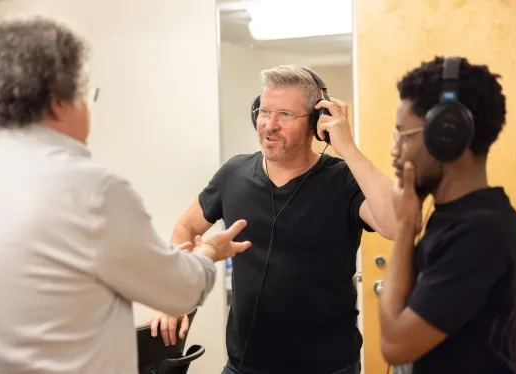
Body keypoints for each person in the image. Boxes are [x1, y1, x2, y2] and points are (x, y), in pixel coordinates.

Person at [0, 15, 251, 374]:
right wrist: (206, 252)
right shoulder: (91, 192)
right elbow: (181, 291)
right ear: (59, 98)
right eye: (87, 95)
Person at [149, 65, 397, 374]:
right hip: (244, 367)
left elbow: (394, 224)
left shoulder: (344, 180)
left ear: (316, 123)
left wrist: (346, 145)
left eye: (285, 115)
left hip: (328, 368)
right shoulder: (233, 173)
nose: (270, 125)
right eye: (264, 111)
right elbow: (186, 226)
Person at [380, 56, 516, 374]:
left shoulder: (481, 233)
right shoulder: (454, 218)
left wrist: (406, 225)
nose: (395, 151)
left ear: (447, 133)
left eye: (403, 136)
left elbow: (395, 345)